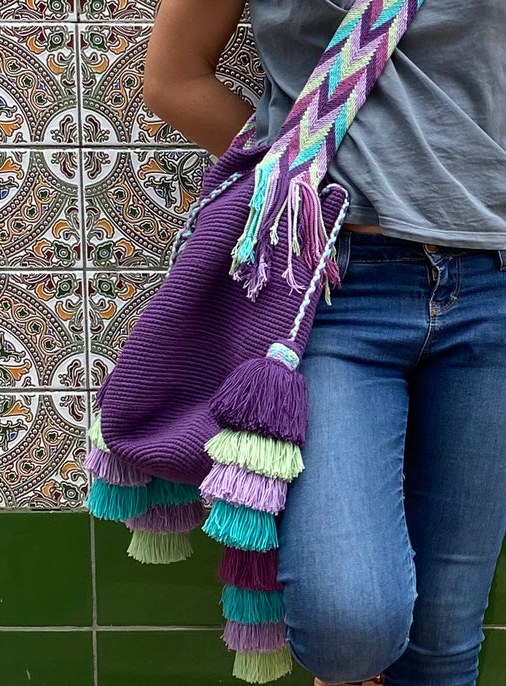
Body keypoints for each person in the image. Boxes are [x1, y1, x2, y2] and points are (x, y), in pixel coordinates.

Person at [143, 1, 506, 685]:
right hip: (330, 287)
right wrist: (291, 174)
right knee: (348, 625)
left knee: (444, 640)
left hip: (494, 284)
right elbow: (173, 77)